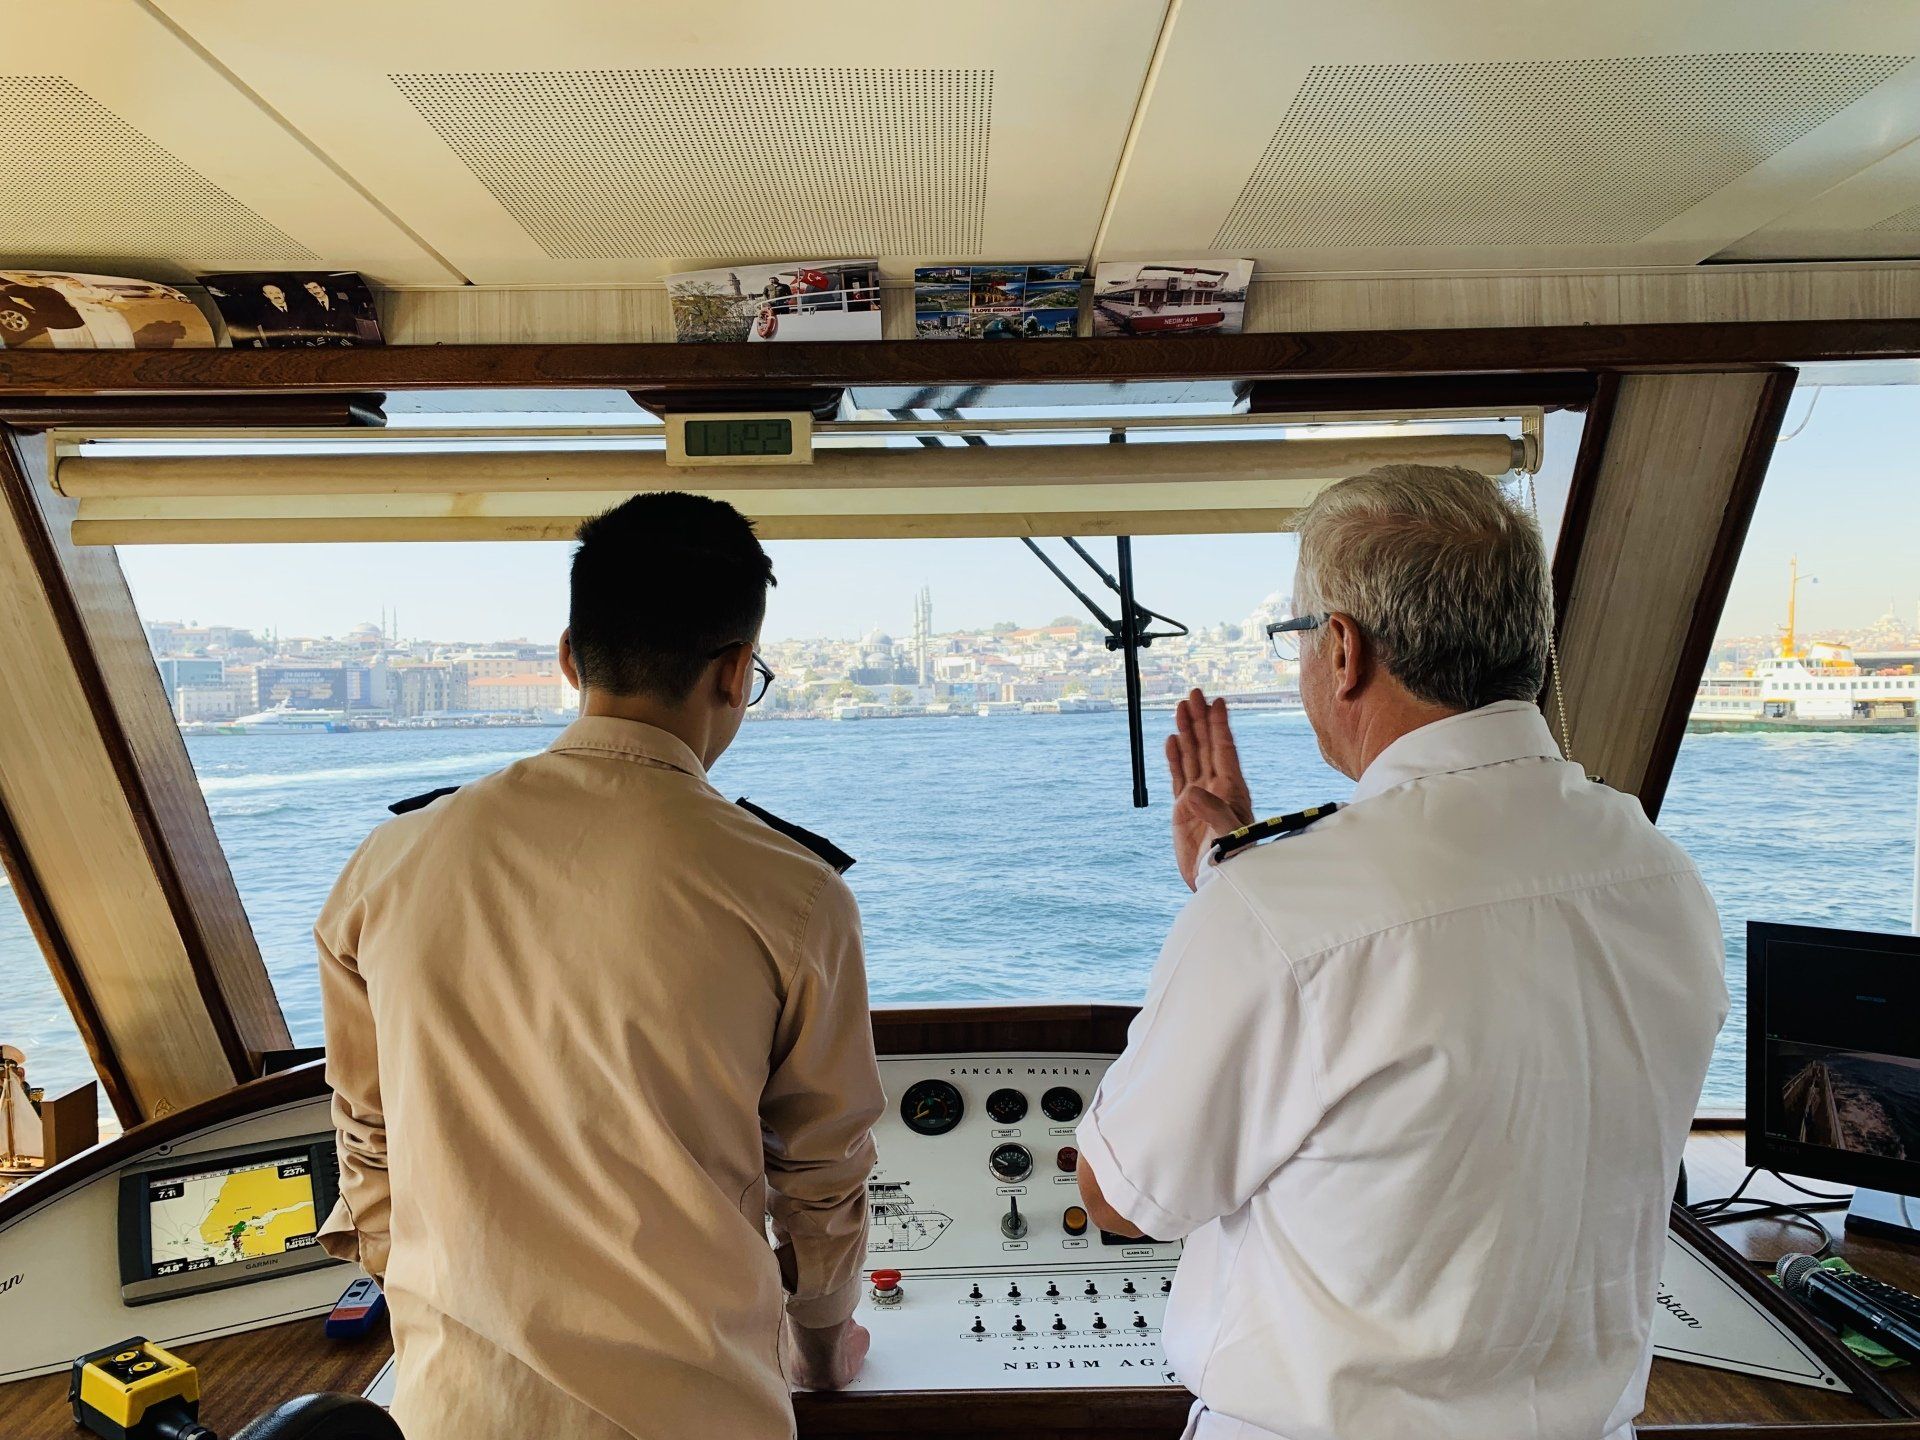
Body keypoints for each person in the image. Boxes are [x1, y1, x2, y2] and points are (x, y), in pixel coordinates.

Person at [1076, 465, 1728, 1440]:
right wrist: (1236, 878)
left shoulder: (1282, 910)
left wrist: (1237, 893)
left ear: (1343, 650)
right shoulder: (1661, 875)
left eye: (1298, 635)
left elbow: (1126, 1197)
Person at [316, 491, 884, 1440]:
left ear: (571, 656)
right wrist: (823, 1345)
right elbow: (819, 1177)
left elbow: (370, 1147)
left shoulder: (389, 866)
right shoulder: (794, 894)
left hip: (454, 1414)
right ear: (737, 673)